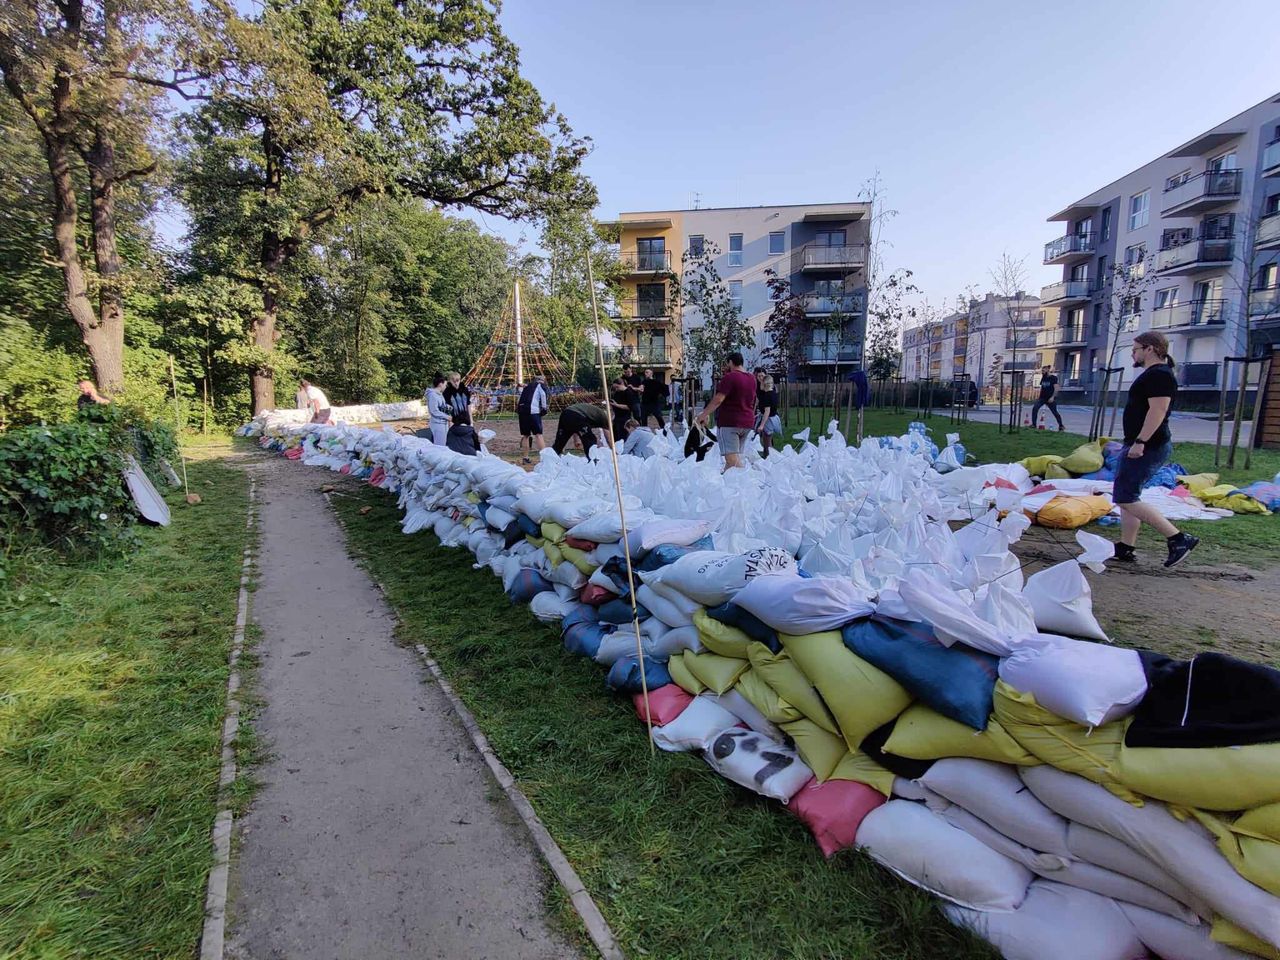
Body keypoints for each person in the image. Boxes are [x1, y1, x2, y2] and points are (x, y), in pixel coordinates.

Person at [1112, 331, 1199, 568]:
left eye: (1136, 348)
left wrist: (1140, 442)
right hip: (1141, 443)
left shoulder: (1159, 375)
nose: (1133, 353)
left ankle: (1178, 538)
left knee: (1125, 496)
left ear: (1150, 349)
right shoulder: (1154, 374)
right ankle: (1126, 546)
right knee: (1127, 496)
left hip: (1148, 445)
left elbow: (1158, 411)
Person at [695, 351, 757, 470]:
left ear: (730, 362)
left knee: (732, 460)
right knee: (734, 458)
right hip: (747, 422)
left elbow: (718, 399)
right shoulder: (752, 378)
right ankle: (729, 484)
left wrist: (703, 415)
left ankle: (747, 483)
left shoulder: (731, 377)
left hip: (730, 422)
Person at [516, 374, 549, 464]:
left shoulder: (527, 387)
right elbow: (543, 395)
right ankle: (545, 458)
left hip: (522, 412)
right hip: (533, 412)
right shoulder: (540, 385)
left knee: (525, 435)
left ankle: (525, 458)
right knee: (538, 434)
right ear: (541, 380)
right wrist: (544, 409)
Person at [1030, 364, 1065, 431]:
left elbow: (1056, 388)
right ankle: (1034, 424)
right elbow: (1043, 387)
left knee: (1055, 412)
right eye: (1042, 369)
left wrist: (1052, 397)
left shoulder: (1053, 378)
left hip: (1050, 398)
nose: (1043, 370)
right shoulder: (1043, 377)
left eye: (1044, 369)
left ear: (1048, 370)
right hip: (1042, 398)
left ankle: (1061, 426)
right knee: (1035, 408)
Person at [755, 374, 780, 459]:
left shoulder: (767, 396)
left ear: (764, 384)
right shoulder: (773, 393)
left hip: (768, 420)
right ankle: (766, 457)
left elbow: (767, 411)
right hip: (773, 418)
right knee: (766, 441)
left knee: (767, 442)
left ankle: (770, 460)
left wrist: (762, 425)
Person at [423, 373, 450, 444]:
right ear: (440, 384)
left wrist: (448, 407)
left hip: (443, 424)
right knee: (439, 446)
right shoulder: (432, 395)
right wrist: (447, 416)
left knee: (443, 445)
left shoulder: (439, 395)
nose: (446, 387)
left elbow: (441, 406)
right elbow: (434, 411)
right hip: (438, 424)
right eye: (445, 385)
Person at [609, 377, 633, 443]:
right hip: (617, 417)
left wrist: (617, 405)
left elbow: (629, 407)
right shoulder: (617, 393)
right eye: (615, 388)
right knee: (615, 437)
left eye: (617, 387)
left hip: (624, 418)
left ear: (622, 384)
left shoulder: (628, 392)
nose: (616, 389)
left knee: (622, 437)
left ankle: (623, 451)